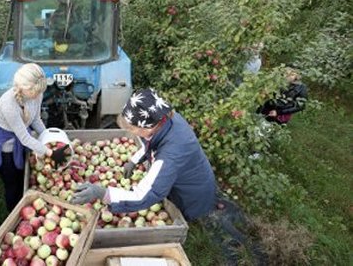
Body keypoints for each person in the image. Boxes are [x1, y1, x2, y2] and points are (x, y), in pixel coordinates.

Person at [70, 89, 267, 264]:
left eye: (132, 129)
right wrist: (135, 159)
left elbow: (144, 195)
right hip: (187, 172)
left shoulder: (170, 154)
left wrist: (102, 192)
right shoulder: (164, 118)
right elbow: (149, 142)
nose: (131, 133)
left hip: (191, 190)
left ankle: (206, 230)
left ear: (147, 126)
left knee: (193, 213)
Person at [0, 63, 67, 212]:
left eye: (40, 92)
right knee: (13, 186)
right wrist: (51, 153)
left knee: (23, 177)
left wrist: (47, 138)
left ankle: (24, 210)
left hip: (22, 141)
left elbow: (36, 119)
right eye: (35, 93)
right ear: (25, 88)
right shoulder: (8, 104)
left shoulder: (37, 93)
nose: (38, 96)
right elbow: (24, 137)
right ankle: (13, 215)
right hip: (7, 147)